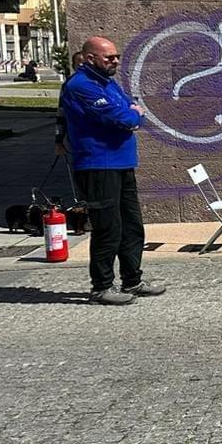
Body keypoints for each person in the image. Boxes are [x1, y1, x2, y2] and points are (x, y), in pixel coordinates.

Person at [61, 36, 166, 305]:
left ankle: (132, 280)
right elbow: (123, 117)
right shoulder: (81, 85)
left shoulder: (107, 83)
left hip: (122, 162)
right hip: (99, 164)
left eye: (116, 56)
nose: (115, 61)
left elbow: (131, 109)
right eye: (109, 57)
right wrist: (133, 115)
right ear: (90, 58)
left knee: (132, 225)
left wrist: (132, 114)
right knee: (108, 228)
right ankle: (101, 287)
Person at [55, 50, 86, 158]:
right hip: (77, 136)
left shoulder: (99, 83)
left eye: (85, 64)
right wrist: (58, 140)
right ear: (73, 66)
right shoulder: (69, 85)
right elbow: (61, 113)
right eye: (79, 64)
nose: (82, 67)